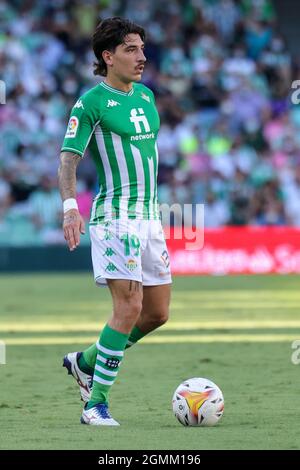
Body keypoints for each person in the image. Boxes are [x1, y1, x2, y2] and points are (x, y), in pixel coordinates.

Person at [58, 17, 172, 426]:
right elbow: (69, 157)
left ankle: (86, 360)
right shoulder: (90, 103)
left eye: (142, 48)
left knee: (157, 313)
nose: (142, 57)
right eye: (130, 49)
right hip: (114, 218)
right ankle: (95, 404)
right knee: (128, 306)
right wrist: (71, 207)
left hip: (149, 218)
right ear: (108, 57)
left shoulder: (145, 96)